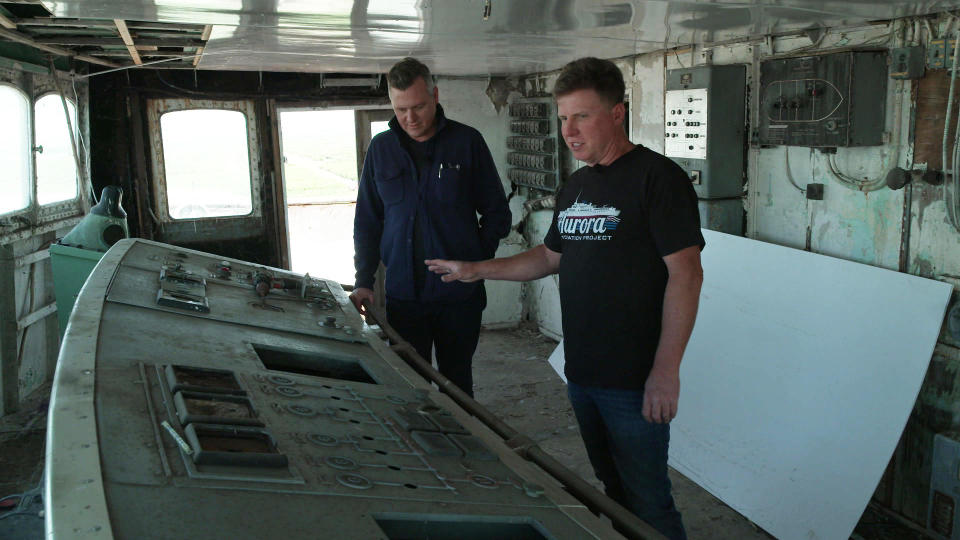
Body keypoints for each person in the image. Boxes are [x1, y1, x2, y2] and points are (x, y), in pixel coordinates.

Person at [424, 57, 704, 540]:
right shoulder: (576, 186)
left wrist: (666, 370)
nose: (568, 131)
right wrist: (475, 270)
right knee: (610, 492)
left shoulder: (658, 180)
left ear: (617, 113)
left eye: (582, 116)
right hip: (584, 374)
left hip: (634, 379)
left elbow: (687, 276)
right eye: (562, 118)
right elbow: (548, 257)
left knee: (650, 503)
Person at [351, 57, 511, 398]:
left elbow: (497, 212)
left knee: (457, 382)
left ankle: (467, 446)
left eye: (419, 106)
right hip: (403, 296)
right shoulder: (381, 149)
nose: (410, 118)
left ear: (435, 95)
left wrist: (476, 262)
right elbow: (367, 220)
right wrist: (363, 280)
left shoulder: (467, 143)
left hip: (459, 296)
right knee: (413, 384)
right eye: (400, 108)